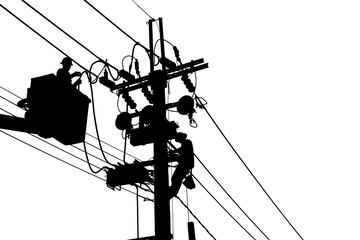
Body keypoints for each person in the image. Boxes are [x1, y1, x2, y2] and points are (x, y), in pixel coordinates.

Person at [169, 132, 195, 198]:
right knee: (177, 178)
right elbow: (182, 151)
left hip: (185, 164)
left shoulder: (187, 142)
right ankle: (173, 191)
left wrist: (173, 152)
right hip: (186, 164)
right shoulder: (186, 143)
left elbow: (182, 150)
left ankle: (173, 191)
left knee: (176, 178)